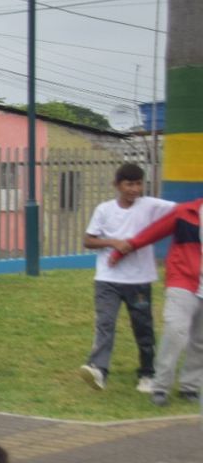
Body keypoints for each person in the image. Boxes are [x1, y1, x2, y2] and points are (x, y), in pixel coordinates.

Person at [80, 162, 170, 392]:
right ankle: (98, 370)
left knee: (143, 327)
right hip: (107, 279)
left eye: (138, 184)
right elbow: (88, 240)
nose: (134, 189)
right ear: (117, 185)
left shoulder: (150, 206)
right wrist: (113, 242)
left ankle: (147, 373)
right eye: (129, 184)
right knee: (105, 323)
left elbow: (179, 211)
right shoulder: (104, 209)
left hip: (139, 280)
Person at [111, 196, 202, 406]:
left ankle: (190, 387)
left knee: (200, 340)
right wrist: (126, 248)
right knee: (175, 331)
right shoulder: (185, 212)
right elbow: (154, 232)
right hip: (183, 280)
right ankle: (161, 387)